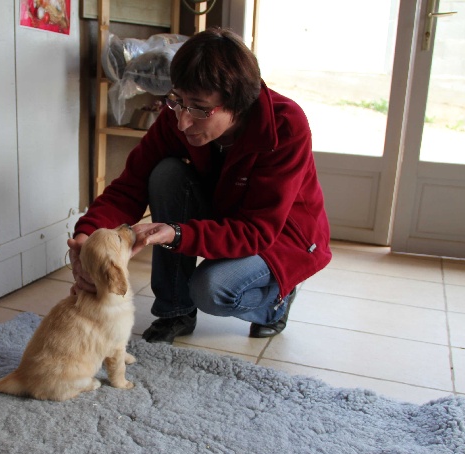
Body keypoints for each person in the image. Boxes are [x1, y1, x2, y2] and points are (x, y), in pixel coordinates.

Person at [68, 27, 331, 344]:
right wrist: (87, 234)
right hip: (226, 209)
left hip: (282, 235)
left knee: (212, 289)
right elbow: (129, 186)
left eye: (199, 108)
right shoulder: (180, 114)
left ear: (238, 104)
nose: (182, 121)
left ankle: (274, 303)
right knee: (166, 173)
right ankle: (174, 311)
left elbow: (257, 230)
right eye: (176, 100)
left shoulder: (285, 126)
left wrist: (178, 233)